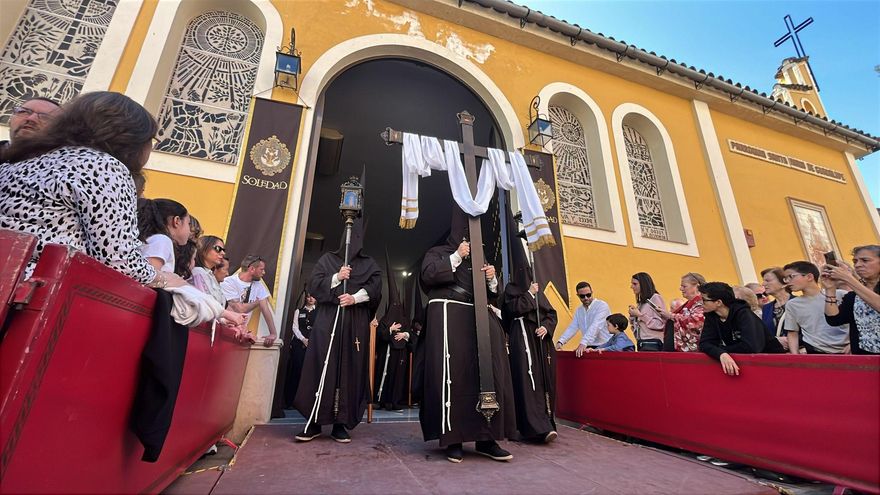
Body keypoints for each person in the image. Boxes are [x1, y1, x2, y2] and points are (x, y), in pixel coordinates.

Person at [0, 91, 182, 289]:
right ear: (131, 139)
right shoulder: (102, 167)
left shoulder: (22, 159)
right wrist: (164, 279)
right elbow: (119, 261)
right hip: (35, 288)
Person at [417, 206, 516, 463]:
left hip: (480, 317)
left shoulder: (480, 257)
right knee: (455, 376)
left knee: (489, 374)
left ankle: (487, 438)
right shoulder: (437, 252)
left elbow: (494, 295)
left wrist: (492, 279)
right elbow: (428, 276)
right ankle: (454, 438)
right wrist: (456, 256)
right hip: (451, 316)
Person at [293, 215, 381, 443]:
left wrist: (355, 298)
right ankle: (314, 421)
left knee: (349, 369)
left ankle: (340, 423)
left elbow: (375, 289)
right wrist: (336, 277)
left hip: (354, 324)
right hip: (328, 320)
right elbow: (314, 285)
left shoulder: (370, 264)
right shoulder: (328, 260)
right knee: (322, 365)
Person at [501, 214, 558, 444]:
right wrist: (528, 295)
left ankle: (546, 423)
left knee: (543, 381)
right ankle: (530, 427)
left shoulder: (537, 290)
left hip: (539, 342)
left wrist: (546, 328)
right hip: (521, 339)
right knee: (525, 381)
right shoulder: (511, 290)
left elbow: (551, 313)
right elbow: (511, 311)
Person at [698, 282, 784, 376]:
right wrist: (721, 354)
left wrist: (723, 350)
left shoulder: (744, 314)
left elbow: (750, 347)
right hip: (746, 365)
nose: (700, 303)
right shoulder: (712, 316)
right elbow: (704, 343)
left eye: (704, 300)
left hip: (773, 363)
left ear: (718, 302)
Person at [822, 245, 880, 354]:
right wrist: (830, 289)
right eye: (855, 261)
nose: (858, 265)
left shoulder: (855, 287)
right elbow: (834, 320)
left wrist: (848, 278)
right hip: (863, 357)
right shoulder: (853, 296)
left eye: (865, 260)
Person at [782, 261, 849, 354]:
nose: (787, 281)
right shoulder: (792, 304)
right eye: (785, 278)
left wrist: (853, 343)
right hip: (816, 351)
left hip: (847, 349)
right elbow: (792, 332)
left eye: (791, 276)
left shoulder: (841, 294)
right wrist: (795, 356)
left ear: (809, 277)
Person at [374, 256, 412, 412]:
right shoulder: (385, 319)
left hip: (400, 354)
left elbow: (412, 335)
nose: (396, 307)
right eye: (393, 305)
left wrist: (405, 335)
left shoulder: (405, 319)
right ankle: (381, 401)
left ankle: (395, 402)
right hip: (386, 353)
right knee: (384, 375)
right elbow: (379, 335)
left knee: (398, 378)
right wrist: (389, 329)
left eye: (398, 305)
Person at [221, 255, 279, 347]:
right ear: (252, 269)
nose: (264, 272)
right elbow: (240, 309)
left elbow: (265, 309)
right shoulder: (228, 282)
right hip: (224, 332)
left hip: (241, 335)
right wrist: (257, 302)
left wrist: (273, 333)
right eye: (261, 269)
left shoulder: (259, 285)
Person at [555, 282, 611, 357]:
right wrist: (560, 342)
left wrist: (583, 343)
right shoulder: (579, 311)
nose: (586, 298)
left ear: (592, 292)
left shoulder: (602, 306)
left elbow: (596, 326)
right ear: (578, 295)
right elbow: (573, 327)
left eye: (588, 295)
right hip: (589, 346)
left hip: (605, 346)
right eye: (582, 296)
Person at [137, 198, 191, 274]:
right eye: (188, 223)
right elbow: (148, 274)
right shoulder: (162, 241)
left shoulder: (156, 239)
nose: (190, 231)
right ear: (177, 221)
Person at [284, 290, 317, 407]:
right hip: (299, 344)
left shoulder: (319, 312)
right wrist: (303, 339)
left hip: (313, 345)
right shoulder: (298, 311)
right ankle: (290, 400)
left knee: (309, 373)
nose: (310, 299)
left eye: (313, 297)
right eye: (308, 297)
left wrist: (312, 341)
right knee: (296, 370)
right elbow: (294, 327)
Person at [657, 272, 705, 352]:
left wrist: (671, 316)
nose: (681, 289)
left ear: (697, 286)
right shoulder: (690, 303)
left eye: (684, 286)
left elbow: (696, 322)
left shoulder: (702, 303)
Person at [628, 272, 667, 350]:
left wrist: (640, 315)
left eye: (635, 284)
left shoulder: (655, 298)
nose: (631, 286)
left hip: (653, 343)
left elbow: (660, 324)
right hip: (643, 342)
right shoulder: (642, 302)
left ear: (643, 284)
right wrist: (633, 316)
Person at [760, 267, 794, 347]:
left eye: (768, 280)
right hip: (777, 352)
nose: (763, 284)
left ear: (784, 283)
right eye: (763, 280)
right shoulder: (766, 308)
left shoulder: (799, 303)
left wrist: (792, 341)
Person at [192, 236, 227, 306]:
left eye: (223, 250)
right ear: (204, 249)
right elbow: (206, 304)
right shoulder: (198, 272)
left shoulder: (209, 274)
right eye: (218, 249)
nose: (223, 253)